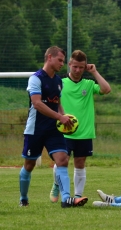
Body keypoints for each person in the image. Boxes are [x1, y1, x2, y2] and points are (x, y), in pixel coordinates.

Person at [19, 46, 88, 208]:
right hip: (35, 129)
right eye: (60, 60)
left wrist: (65, 118)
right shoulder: (35, 78)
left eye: (63, 62)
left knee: (62, 160)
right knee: (29, 165)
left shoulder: (58, 81)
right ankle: (23, 198)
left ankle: (66, 199)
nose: (62, 64)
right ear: (49, 57)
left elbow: (58, 104)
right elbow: (36, 104)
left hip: (53, 130)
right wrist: (60, 117)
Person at [49, 50, 111, 202]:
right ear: (69, 64)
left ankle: (77, 196)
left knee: (80, 163)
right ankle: (57, 184)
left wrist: (95, 72)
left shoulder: (89, 84)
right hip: (63, 131)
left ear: (85, 67)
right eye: (75, 66)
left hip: (84, 132)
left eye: (81, 67)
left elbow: (106, 89)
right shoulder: (60, 82)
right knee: (61, 161)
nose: (77, 70)